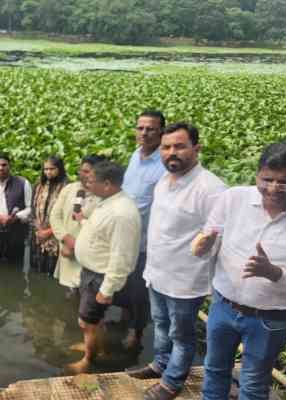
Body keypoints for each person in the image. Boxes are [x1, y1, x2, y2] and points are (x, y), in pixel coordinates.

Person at [193, 142, 286, 400]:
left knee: (254, 382)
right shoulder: (234, 198)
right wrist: (205, 246)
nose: (272, 189)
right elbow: (211, 239)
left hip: (271, 319)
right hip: (223, 305)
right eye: (266, 179)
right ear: (257, 173)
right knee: (214, 370)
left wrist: (274, 273)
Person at [127, 122, 227, 400]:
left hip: (186, 279)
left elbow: (221, 237)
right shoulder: (164, 180)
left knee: (181, 334)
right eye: (166, 147)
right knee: (160, 323)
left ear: (197, 148)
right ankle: (160, 363)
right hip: (157, 271)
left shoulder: (211, 188)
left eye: (180, 146)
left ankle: (172, 381)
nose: (172, 152)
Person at [65, 159, 141, 374]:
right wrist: (81, 221)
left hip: (100, 276)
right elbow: (100, 233)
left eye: (91, 181)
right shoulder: (108, 202)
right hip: (91, 272)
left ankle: (88, 360)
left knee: (87, 321)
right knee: (92, 320)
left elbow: (121, 256)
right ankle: (95, 346)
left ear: (107, 184)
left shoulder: (121, 213)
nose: (87, 185)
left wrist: (107, 289)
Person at [114, 110, 166, 349]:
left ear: (161, 133)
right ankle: (125, 320)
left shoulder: (164, 165)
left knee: (140, 291)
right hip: (125, 237)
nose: (144, 133)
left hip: (146, 241)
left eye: (151, 129)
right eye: (140, 128)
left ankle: (136, 334)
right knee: (125, 283)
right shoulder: (136, 155)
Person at [50, 155, 104, 293]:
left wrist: (77, 246)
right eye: (82, 171)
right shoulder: (70, 189)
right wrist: (66, 239)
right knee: (69, 294)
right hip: (67, 251)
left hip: (88, 257)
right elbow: (55, 217)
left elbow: (102, 231)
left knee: (87, 296)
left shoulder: (103, 196)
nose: (83, 175)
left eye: (88, 172)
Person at [30, 156, 68, 275]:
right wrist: (39, 229)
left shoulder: (67, 188)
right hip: (38, 233)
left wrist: (49, 232)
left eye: (52, 169)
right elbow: (32, 209)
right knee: (37, 269)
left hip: (56, 235)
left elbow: (68, 216)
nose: (48, 172)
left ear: (60, 169)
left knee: (53, 271)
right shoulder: (38, 185)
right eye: (45, 169)